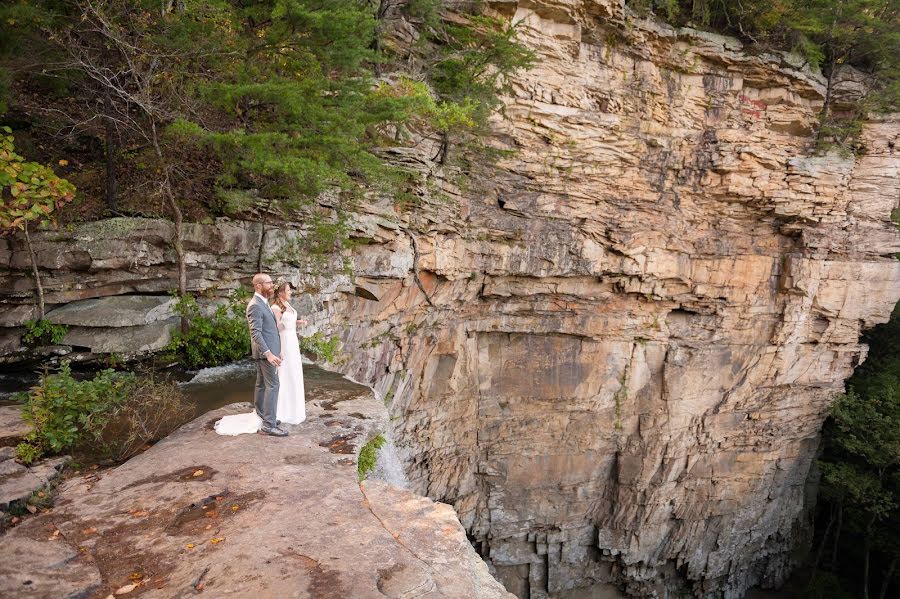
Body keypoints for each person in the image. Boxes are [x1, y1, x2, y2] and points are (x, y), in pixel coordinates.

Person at [214, 273, 287, 437]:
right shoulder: (255, 305)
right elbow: (256, 333)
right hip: (265, 353)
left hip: (268, 351)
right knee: (273, 386)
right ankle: (269, 425)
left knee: (261, 384)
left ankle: (263, 416)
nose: (272, 286)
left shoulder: (264, 302)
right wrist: (269, 354)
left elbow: (271, 329)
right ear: (258, 286)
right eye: (269, 283)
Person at [271, 279, 307, 424]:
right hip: (285, 343)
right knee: (285, 374)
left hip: (293, 342)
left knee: (294, 373)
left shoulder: (287, 304)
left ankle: (295, 409)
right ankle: (282, 411)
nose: (290, 292)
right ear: (280, 292)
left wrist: (299, 322)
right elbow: (277, 328)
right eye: (288, 290)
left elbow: (288, 323)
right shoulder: (275, 307)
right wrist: (279, 350)